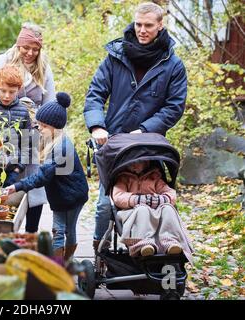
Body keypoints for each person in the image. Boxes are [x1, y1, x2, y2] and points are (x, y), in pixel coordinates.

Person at [83, 2, 188, 256]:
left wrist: (144, 130)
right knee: (104, 207)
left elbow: (174, 107)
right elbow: (95, 94)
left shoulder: (172, 65)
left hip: (148, 145)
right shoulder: (115, 56)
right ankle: (101, 248)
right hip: (114, 144)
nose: (142, 30)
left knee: (154, 202)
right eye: (138, 24)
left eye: (148, 25)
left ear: (160, 26)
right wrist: (97, 125)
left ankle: (157, 247)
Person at [0, 22, 57, 233]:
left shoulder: (43, 69)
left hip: (31, 135)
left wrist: (45, 130)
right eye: (26, 47)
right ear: (18, 44)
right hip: (3, 135)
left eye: (35, 50)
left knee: (33, 183)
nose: (30, 53)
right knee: (1, 178)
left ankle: (30, 233)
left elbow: (50, 103)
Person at [5, 92, 89, 261]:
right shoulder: (57, 140)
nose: (39, 129)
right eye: (38, 124)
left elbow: (42, 177)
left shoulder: (60, 148)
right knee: (67, 230)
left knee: (61, 230)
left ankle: (59, 265)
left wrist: (17, 186)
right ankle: (66, 263)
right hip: (69, 194)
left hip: (70, 197)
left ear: (55, 126)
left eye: (43, 126)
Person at [112, 160, 193, 263]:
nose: (134, 165)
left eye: (138, 162)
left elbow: (170, 192)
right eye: (131, 163)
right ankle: (143, 244)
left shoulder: (154, 177)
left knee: (168, 208)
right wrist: (135, 199)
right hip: (132, 212)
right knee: (143, 210)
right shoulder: (123, 178)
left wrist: (162, 199)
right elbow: (118, 196)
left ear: (147, 163)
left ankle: (170, 241)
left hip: (155, 211)